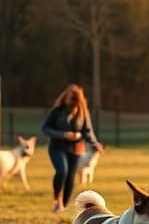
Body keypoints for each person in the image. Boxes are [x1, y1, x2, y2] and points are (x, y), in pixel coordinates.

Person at [42, 84, 103, 213]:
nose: (71, 102)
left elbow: (87, 131)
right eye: (70, 98)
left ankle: (62, 204)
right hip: (57, 147)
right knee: (62, 171)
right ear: (65, 97)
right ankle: (57, 200)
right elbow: (45, 128)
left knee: (70, 177)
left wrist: (94, 143)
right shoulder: (57, 111)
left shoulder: (82, 112)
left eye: (74, 99)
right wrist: (63, 134)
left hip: (75, 149)